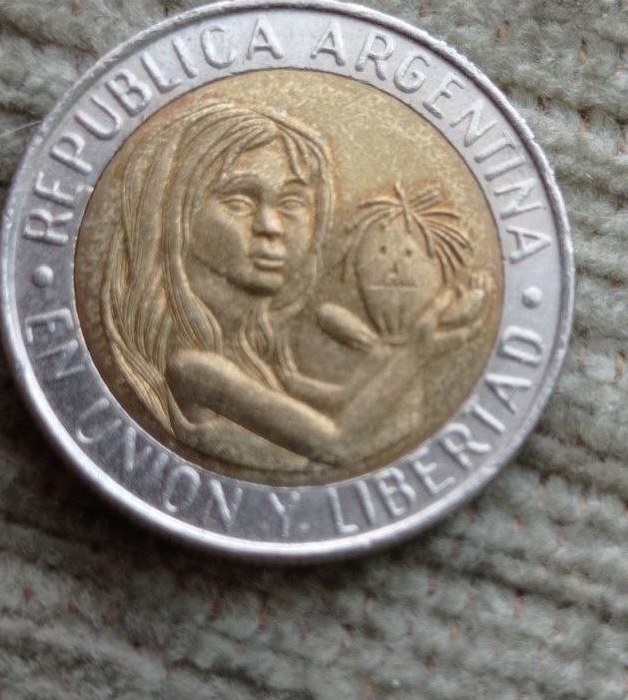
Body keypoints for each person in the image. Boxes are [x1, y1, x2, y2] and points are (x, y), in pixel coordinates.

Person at [102, 99, 488, 474]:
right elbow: (336, 444)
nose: (271, 226)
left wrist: (404, 351)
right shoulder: (194, 367)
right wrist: (415, 353)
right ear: (174, 216)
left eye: (290, 202)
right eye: (239, 201)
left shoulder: (253, 354)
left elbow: (338, 405)